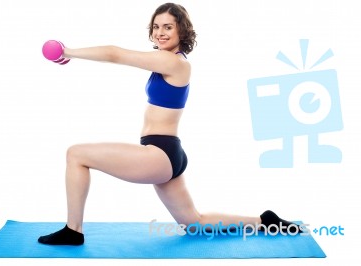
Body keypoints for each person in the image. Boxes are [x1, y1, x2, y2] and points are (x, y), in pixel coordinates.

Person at [38, 3, 301, 246]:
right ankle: (265, 221)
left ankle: (73, 230)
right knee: (195, 224)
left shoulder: (171, 61)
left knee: (76, 154)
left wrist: (67, 52)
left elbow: (115, 54)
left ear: (181, 30)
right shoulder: (170, 60)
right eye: (156, 27)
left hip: (159, 154)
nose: (160, 33)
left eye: (168, 27)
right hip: (168, 152)